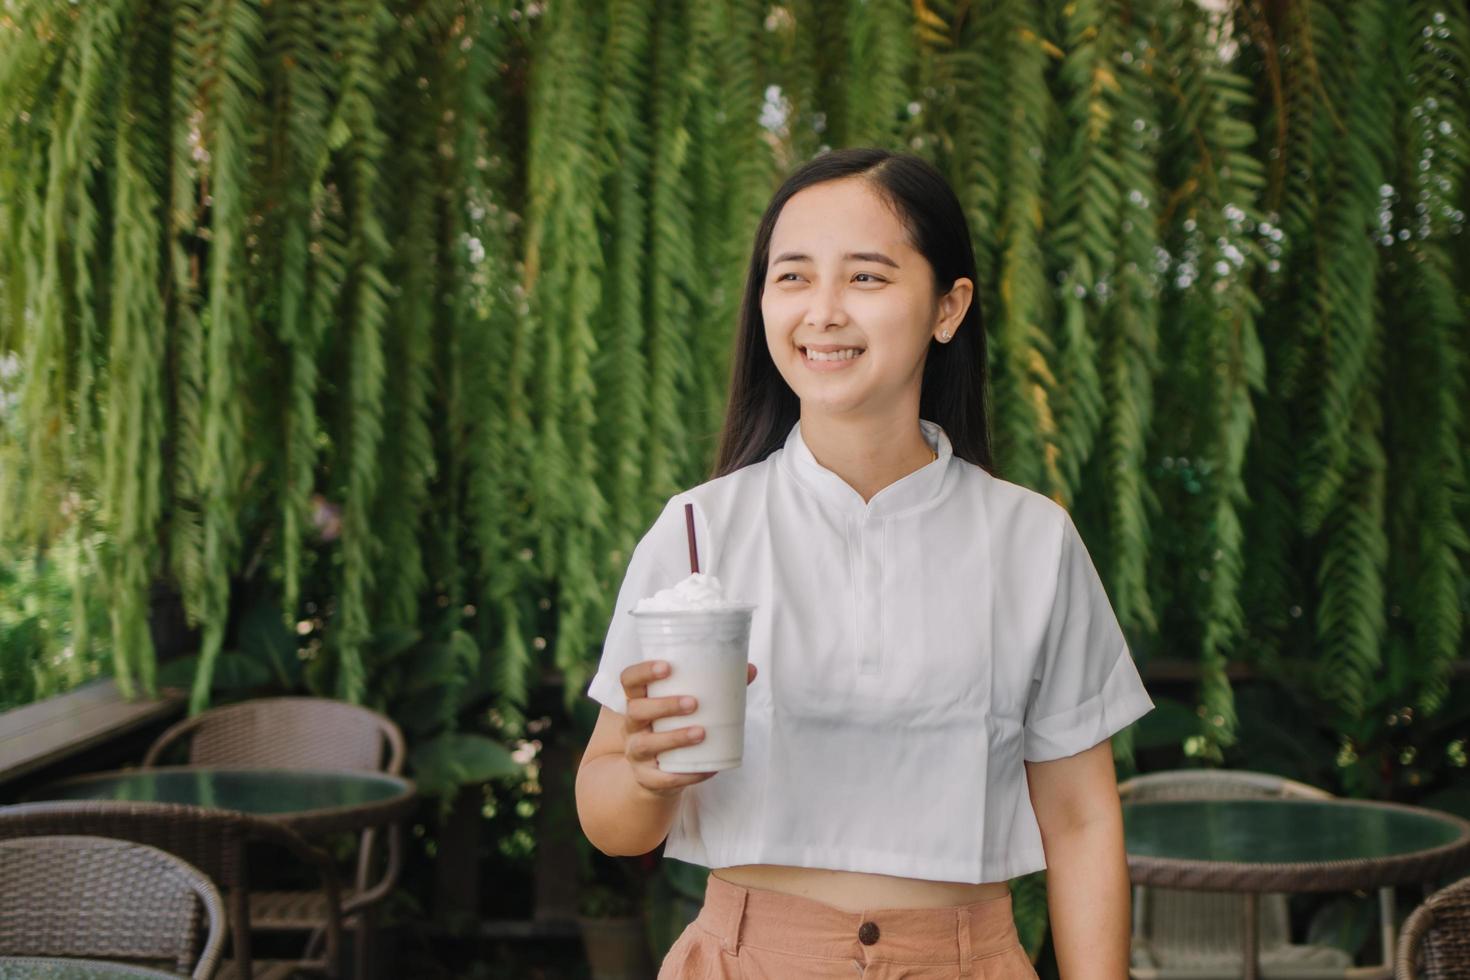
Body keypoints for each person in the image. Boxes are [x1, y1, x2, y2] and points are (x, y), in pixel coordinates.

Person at [575, 146, 1155, 979]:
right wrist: (645, 774)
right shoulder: (701, 531)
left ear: (948, 307)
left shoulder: (1031, 540)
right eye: (793, 277)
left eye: (867, 278)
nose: (823, 311)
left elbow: (1082, 822)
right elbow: (611, 822)